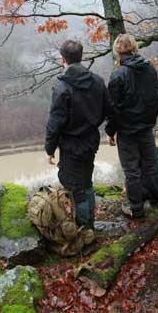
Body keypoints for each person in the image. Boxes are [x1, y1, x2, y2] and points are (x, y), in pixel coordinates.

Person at [105, 34, 158, 218]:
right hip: (145, 128)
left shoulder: (118, 74)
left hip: (127, 131)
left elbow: (113, 109)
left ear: (117, 51)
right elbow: (157, 98)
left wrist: (110, 131)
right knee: (154, 166)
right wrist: (149, 121)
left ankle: (136, 210)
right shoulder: (149, 69)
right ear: (134, 48)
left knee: (132, 172)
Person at [45, 40, 112, 229]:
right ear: (80, 57)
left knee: (75, 187)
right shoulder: (97, 81)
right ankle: (89, 224)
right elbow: (110, 109)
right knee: (86, 182)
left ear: (62, 59)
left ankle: (85, 229)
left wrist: (49, 148)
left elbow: (55, 122)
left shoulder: (61, 87)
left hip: (70, 145)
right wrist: (109, 130)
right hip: (91, 141)